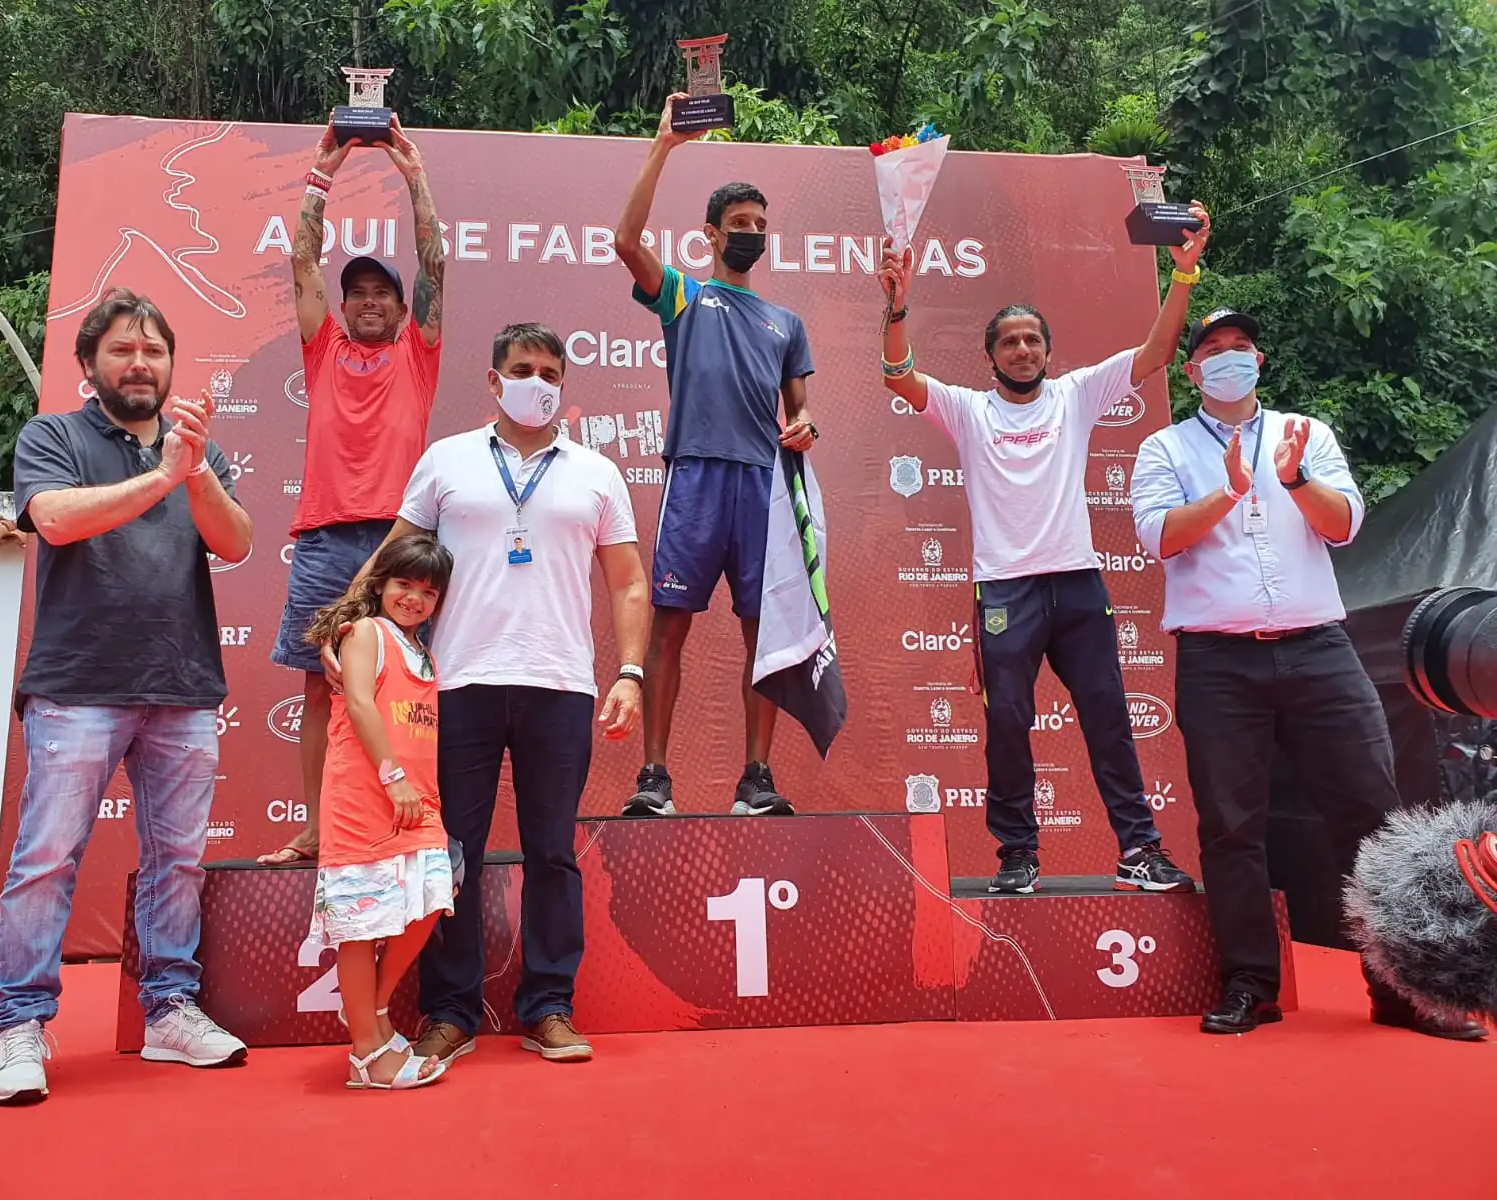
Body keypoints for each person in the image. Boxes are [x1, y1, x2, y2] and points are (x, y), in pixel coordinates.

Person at [1129, 308, 1487, 1040]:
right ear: (1191, 371)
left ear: (1259, 360)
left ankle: (1401, 989)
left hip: (1320, 647)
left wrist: (1291, 480)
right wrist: (1227, 495)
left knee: (1374, 816)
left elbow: (1344, 525)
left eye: (1241, 348)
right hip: (1218, 660)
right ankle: (1250, 984)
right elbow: (1159, 537)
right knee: (1232, 827)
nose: (1229, 359)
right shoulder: (1164, 448)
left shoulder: (1307, 434)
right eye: (1213, 351)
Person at [325, 323, 650, 1067]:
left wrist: (630, 672)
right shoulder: (447, 461)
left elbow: (629, 581)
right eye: (522, 369)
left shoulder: (596, 472)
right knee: (451, 854)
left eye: (550, 371)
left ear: (564, 383)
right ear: (494, 382)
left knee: (552, 853)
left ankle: (548, 1007)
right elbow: (396, 551)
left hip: (560, 683)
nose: (537, 381)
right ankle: (450, 1009)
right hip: (457, 684)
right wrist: (344, 618)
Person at [876, 207, 1213, 896]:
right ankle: (1017, 854)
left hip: (1080, 586)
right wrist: (899, 305)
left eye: (1033, 340)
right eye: (1010, 342)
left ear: (1048, 352)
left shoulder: (1076, 395)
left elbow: (1152, 356)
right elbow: (898, 376)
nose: (1023, 350)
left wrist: (1183, 272)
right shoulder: (968, 410)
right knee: (1007, 725)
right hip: (1005, 592)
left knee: (1109, 721)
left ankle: (1138, 850)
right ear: (990, 356)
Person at [0, 289, 253, 1105]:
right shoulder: (54, 436)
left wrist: (193, 472)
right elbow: (57, 520)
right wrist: (161, 478)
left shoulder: (196, 450)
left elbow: (235, 542)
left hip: (182, 684)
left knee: (177, 861)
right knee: (44, 861)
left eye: (154, 352)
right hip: (77, 685)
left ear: (172, 365)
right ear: (90, 365)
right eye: (123, 351)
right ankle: (18, 1025)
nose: (141, 364)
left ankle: (170, 1009)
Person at [613, 93, 817, 819]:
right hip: (696, 476)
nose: (752, 235)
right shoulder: (684, 298)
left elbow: (800, 410)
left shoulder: (785, 322)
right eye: (740, 226)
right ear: (710, 235)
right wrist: (662, 146)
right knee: (671, 626)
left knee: (764, 632)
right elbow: (626, 241)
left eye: (761, 227)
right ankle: (655, 777)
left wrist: (805, 426)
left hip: (762, 487)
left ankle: (756, 777)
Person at [260, 115, 448, 867]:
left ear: (405, 312)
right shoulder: (324, 347)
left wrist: (413, 176)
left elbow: (435, 264)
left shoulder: (418, 352)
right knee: (320, 688)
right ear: (341, 307)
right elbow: (303, 261)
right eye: (357, 292)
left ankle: (408, 824)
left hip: (401, 543)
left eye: (383, 293)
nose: (369, 300)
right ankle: (318, 829)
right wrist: (322, 174)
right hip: (325, 539)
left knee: (405, 691)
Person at [303, 532, 462, 1089]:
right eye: (403, 585)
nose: (414, 598)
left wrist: (412, 786)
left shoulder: (422, 650)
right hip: (365, 799)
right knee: (360, 927)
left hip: (418, 802)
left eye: (427, 591)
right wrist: (392, 777)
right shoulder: (365, 632)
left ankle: (370, 1009)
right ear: (380, 584)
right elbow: (361, 704)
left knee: (429, 902)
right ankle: (367, 1055)